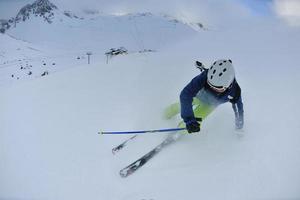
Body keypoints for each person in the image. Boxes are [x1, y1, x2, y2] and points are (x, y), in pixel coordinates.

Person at [164, 59, 244, 133]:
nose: (213, 89)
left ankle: (179, 132)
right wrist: (188, 118)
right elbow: (186, 94)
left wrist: (239, 127)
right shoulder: (205, 76)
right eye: (210, 84)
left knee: (196, 120)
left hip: (210, 105)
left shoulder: (235, 93)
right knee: (180, 107)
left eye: (218, 88)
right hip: (199, 96)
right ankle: (164, 114)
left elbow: (239, 110)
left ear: (228, 85)